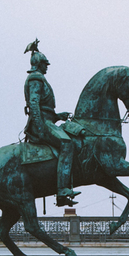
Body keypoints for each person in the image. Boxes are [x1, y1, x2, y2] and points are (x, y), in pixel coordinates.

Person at [22, 39, 84, 205]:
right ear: (39, 64)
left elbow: (44, 108)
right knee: (67, 143)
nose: (47, 67)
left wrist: (57, 116)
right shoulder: (36, 79)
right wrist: (40, 127)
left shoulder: (40, 79)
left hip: (47, 120)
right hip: (40, 124)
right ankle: (62, 190)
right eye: (45, 64)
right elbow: (34, 104)